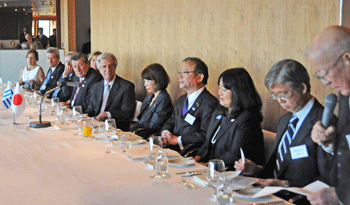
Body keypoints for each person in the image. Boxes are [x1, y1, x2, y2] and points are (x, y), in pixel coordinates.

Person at [234, 59, 335, 188]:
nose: (280, 101)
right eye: (275, 96)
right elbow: (279, 168)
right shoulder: (285, 119)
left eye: (283, 94)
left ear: (302, 88)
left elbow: (327, 179)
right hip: (271, 193)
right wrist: (255, 170)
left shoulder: (325, 123)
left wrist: (285, 184)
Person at [306, 25, 350, 205]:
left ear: (347, 58)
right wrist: (331, 143)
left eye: (325, 72)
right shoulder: (345, 92)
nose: (325, 83)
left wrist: (340, 195)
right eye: (319, 76)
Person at [194, 68, 265, 169]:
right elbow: (207, 144)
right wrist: (197, 158)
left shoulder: (247, 119)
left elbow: (234, 155)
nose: (219, 93)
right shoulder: (219, 112)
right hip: (213, 170)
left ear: (238, 92)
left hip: (233, 173)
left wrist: (208, 165)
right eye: (219, 88)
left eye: (224, 89)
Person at [160, 57, 218, 155]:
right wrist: (165, 132)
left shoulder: (210, 102)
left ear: (199, 77)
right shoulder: (182, 99)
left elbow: (205, 135)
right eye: (180, 72)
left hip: (191, 154)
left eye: (185, 72)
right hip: (171, 150)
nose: (180, 76)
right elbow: (171, 121)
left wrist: (178, 140)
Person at [85, 53, 136, 131]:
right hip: (96, 127)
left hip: (115, 129)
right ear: (99, 69)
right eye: (104, 66)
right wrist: (83, 117)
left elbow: (127, 113)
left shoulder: (126, 86)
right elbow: (91, 109)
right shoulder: (96, 87)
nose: (108, 69)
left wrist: (107, 114)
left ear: (115, 67)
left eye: (111, 66)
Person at [130, 63, 173, 139]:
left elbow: (154, 126)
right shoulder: (149, 97)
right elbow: (140, 120)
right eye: (144, 81)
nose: (145, 85)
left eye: (147, 81)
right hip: (141, 133)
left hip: (150, 137)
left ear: (157, 80)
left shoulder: (164, 98)